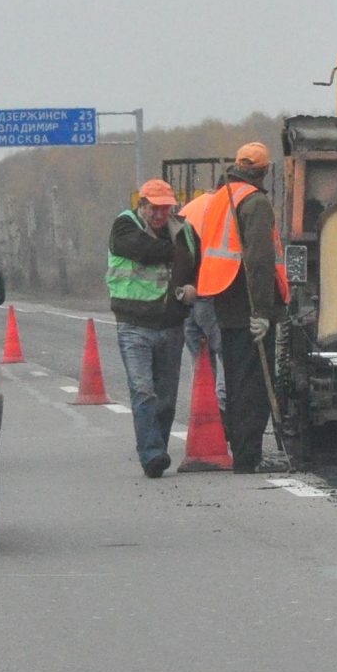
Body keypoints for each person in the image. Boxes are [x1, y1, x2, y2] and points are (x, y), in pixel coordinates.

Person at [183, 141, 287, 472]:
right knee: (253, 385)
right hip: (247, 302)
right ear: (264, 171)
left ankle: (243, 452)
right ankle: (249, 457)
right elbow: (259, 260)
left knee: (238, 379)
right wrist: (262, 312)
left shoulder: (219, 199)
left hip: (223, 299)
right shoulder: (254, 202)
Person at [106, 178, 198, 478]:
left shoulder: (183, 231)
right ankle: (152, 454)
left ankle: (158, 445)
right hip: (134, 325)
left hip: (171, 324)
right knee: (143, 390)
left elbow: (195, 263)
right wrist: (174, 252)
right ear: (142, 205)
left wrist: (190, 290)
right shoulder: (124, 225)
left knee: (167, 396)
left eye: (165, 208)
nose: (160, 214)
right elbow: (141, 249)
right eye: (154, 208)